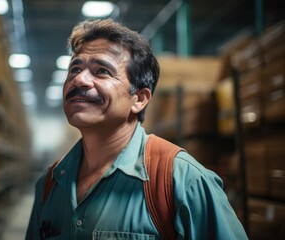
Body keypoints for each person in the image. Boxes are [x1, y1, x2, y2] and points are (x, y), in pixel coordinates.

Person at [26, 18, 248, 240]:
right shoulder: (50, 184)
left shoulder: (183, 182)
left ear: (139, 99)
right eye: (75, 69)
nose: (79, 80)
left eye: (102, 71)